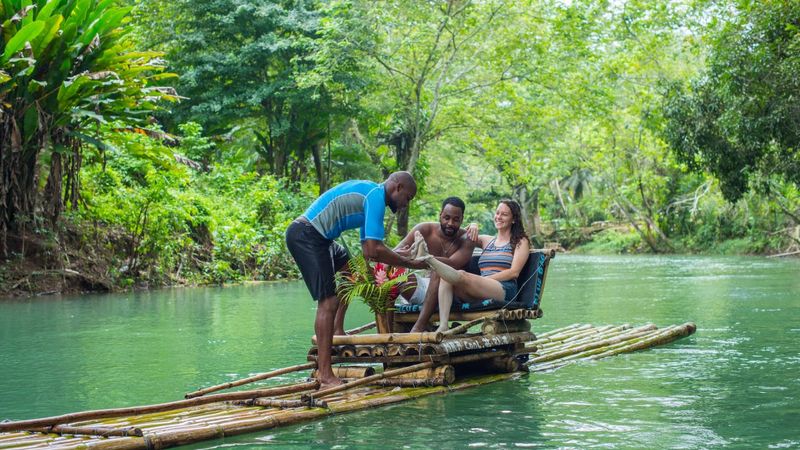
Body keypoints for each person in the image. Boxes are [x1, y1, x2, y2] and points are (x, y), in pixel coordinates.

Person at [285, 172, 427, 390]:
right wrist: (410, 263)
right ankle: (325, 375)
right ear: (397, 187)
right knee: (328, 302)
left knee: (354, 274)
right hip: (307, 235)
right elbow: (374, 250)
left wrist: (400, 258)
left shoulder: (373, 197)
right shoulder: (375, 197)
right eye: (408, 198)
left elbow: (368, 252)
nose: (406, 204)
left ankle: (337, 329)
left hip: (322, 238)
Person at [415, 199, 530, 332]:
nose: (498, 217)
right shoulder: (487, 240)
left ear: (514, 219)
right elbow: (463, 235)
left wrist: (485, 280)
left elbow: (514, 272)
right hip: (480, 289)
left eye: (504, 214)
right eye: (497, 213)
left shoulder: (521, 241)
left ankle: (428, 259)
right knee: (445, 277)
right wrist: (473, 225)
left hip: (504, 289)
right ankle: (443, 326)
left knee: (461, 274)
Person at [393, 197, 478, 332]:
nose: (450, 223)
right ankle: (388, 325)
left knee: (439, 270)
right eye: (446, 218)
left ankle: (418, 327)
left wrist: (421, 258)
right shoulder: (424, 229)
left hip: (449, 295)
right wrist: (407, 253)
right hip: (424, 289)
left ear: (462, 219)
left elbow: (453, 263)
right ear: (440, 215)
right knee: (395, 273)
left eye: (456, 220)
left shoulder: (467, 239)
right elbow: (393, 254)